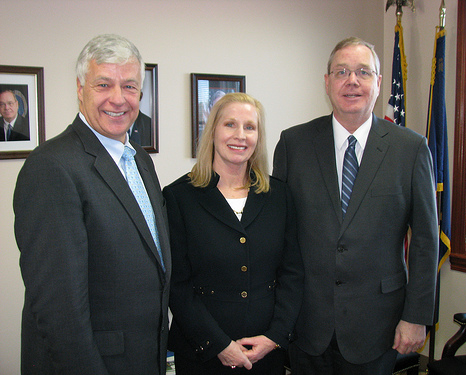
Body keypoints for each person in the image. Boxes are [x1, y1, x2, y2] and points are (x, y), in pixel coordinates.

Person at [272, 37, 439, 374]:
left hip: (379, 325)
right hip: (306, 322)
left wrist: (416, 317)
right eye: (342, 71)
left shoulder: (410, 149)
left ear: (378, 83)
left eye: (363, 72)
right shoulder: (294, 144)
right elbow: (279, 234)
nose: (352, 81)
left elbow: (424, 239)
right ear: (327, 82)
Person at [13, 34, 171, 375]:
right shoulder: (51, 167)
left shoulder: (139, 159)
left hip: (144, 357)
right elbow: (59, 311)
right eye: (104, 84)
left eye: (129, 86)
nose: (118, 99)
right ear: (80, 88)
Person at [163, 92, 303, 374]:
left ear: (258, 137)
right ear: (212, 131)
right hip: (203, 353)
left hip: (265, 352)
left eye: (250, 127)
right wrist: (218, 345)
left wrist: (275, 337)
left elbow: (293, 273)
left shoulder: (279, 196)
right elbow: (177, 284)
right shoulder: (179, 197)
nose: (240, 135)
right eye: (230, 125)